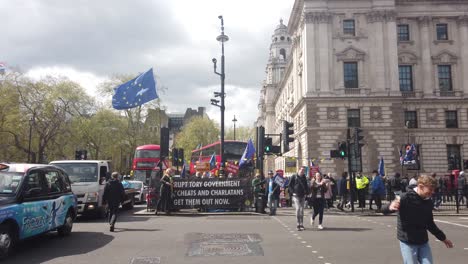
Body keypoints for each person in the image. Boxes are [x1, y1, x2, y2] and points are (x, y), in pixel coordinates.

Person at [383, 174, 453, 263]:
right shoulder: (405, 197)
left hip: (423, 241)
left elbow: (430, 224)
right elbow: (383, 210)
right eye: (430, 190)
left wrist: (443, 238)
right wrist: (390, 206)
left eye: (433, 190)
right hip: (408, 241)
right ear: (420, 186)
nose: (432, 193)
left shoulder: (428, 202)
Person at [288, 166, 309, 231]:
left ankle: (301, 224)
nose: (303, 171)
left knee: (302, 210)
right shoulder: (294, 176)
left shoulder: (304, 177)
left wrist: (307, 193)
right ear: (299, 170)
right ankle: (298, 224)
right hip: (296, 195)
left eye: (304, 170)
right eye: (302, 170)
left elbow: (306, 186)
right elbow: (290, 186)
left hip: (302, 195)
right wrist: (292, 193)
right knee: (298, 209)